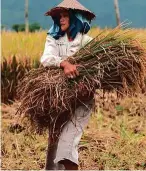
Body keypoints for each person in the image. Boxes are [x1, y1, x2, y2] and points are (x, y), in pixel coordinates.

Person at [40, 0, 96, 170]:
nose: (61, 20)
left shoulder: (87, 42)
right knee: (55, 137)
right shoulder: (54, 39)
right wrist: (64, 63)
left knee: (68, 139)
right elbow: (46, 59)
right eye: (59, 17)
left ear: (75, 18)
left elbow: (97, 68)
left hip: (82, 96)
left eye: (65, 16)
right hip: (58, 97)